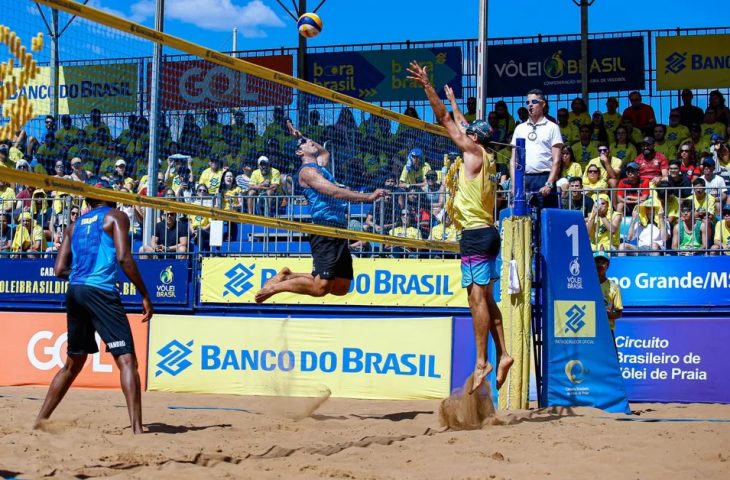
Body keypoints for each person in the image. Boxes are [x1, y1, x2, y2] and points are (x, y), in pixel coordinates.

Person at [408, 60, 513, 393]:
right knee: (485, 299)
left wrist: (428, 86)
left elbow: (444, 120)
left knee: (476, 301)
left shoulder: (473, 152)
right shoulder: (484, 154)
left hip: (476, 234)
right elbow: (461, 122)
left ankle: (482, 361)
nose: (462, 132)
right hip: (484, 232)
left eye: (467, 132)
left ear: (473, 138)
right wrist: (454, 102)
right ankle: (504, 354)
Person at [34, 181, 153, 434]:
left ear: (88, 201)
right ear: (107, 197)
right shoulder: (116, 216)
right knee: (127, 361)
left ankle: (40, 420)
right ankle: (137, 429)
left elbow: (59, 270)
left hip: (75, 290)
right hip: (100, 290)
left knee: (72, 363)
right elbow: (124, 257)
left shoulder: (74, 226)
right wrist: (144, 294)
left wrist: (82, 275)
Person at [254, 123, 388, 304]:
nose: (311, 142)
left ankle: (287, 275)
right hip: (324, 227)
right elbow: (334, 191)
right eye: (306, 144)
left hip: (339, 227)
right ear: (299, 153)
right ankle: (275, 287)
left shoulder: (320, 166)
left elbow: (324, 152)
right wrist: (368, 197)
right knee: (321, 288)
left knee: (341, 287)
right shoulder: (307, 172)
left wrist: (301, 137)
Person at [510, 89, 563, 209]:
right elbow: (513, 160)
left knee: (545, 216)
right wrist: (515, 184)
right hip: (524, 178)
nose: (530, 105)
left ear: (543, 104)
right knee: (522, 216)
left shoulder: (552, 127)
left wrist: (549, 184)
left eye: (534, 102)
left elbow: (556, 160)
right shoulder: (519, 128)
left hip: (544, 177)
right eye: (528, 102)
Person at [593, 251, 623, 337]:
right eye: (597, 262)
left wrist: (605, 314)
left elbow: (619, 313)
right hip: (589, 329)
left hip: (606, 331)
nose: (600, 265)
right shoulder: (586, 285)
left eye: (603, 262)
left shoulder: (614, 288)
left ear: (607, 266)